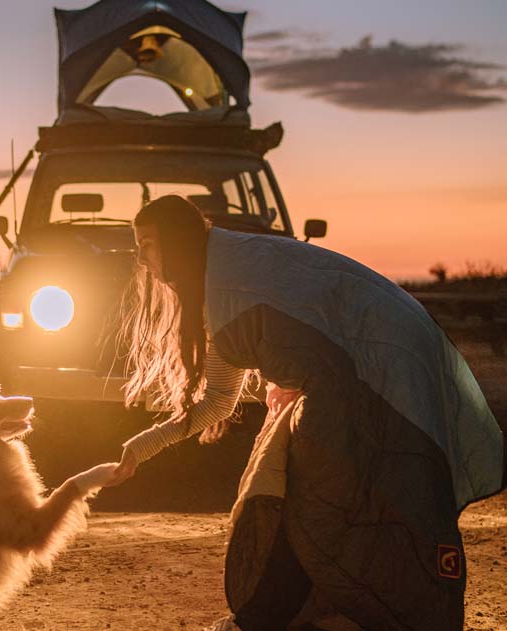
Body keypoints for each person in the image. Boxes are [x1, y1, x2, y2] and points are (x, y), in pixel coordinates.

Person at [108, 195, 504, 631]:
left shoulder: (226, 283)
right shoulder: (230, 267)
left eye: (146, 244)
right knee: (333, 492)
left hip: (377, 364)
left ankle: (267, 617)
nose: (141, 259)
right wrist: (139, 447)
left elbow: (222, 399)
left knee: (308, 497)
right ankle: (301, 613)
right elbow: (226, 396)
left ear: (177, 242)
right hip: (384, 349)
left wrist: (139, 448)